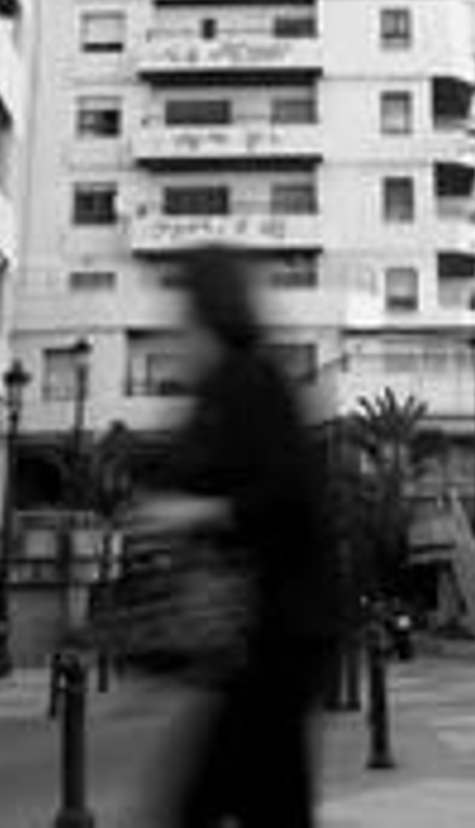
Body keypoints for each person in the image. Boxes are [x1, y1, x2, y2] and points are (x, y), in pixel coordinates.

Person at [148, 244, 342, 827]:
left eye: (185, 317)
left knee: (210, 802)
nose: (178, 332)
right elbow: (188, 473)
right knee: (266, 803)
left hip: (283, 633)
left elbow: (289, 496)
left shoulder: (251, 378)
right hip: (262, 639)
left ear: (208, 314)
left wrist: (198, 514)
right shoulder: (224, 389)